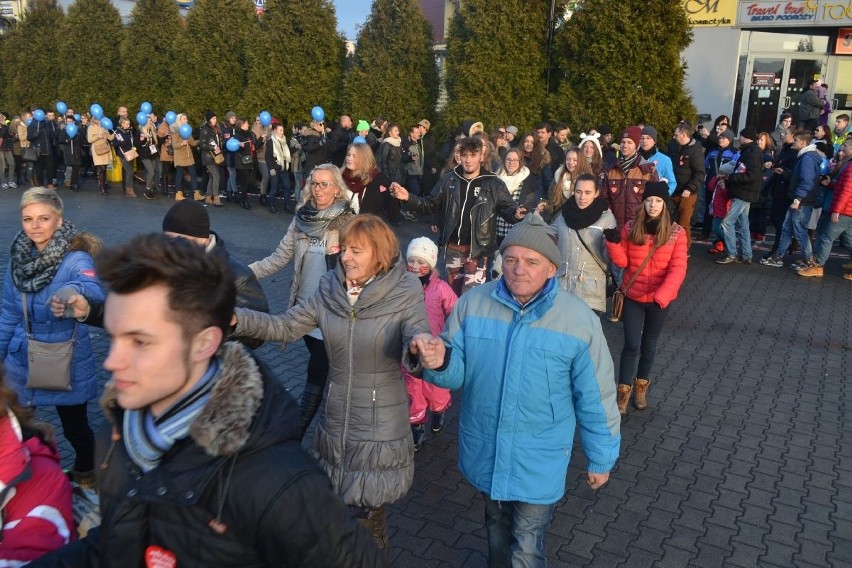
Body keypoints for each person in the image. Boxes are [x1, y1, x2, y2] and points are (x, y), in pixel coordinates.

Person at [31, 233, 385, 567]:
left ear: (203, 343)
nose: (112, 361)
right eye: (116, 336)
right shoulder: (121, 434)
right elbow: (113, 545)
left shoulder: (279, 484)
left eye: (140, 342)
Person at [412, 214, 620, 568]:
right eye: (510, 260)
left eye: (531, 262)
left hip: (539, 455)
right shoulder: (473, 303)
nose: (518, 269)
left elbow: (596, 396)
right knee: (495, 525)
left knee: (526, 544)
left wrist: (601, 456)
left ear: (551, 269)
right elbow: (456, 372)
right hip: (487, 447)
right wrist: (439, 361)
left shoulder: (578, 319)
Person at [235, 214, 429, 550]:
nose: (345, 257)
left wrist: (423, 349)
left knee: (367, 522)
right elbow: (284, 327)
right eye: (345, 249)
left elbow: (417, 336)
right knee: (336, 521)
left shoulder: (405, 291)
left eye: (356, 251)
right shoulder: (329, 288)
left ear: (379, 254)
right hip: (336, 419)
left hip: (378, 428)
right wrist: (237, 318)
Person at [55, 199, 270, 350]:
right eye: (168, 239)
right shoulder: (159, 265)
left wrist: (212, 333)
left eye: (180, 240)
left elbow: (258, 333)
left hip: (211, 382)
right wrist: (90, 309)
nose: (173, 247)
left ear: (203, 239)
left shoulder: (236, 275)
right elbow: (130, 314)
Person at [0, 187, 105, 486]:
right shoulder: (17, 260)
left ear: (58, 221)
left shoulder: (75, 258)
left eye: (43, 218)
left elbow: (90, 287)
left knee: (75, 429)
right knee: (14, 425)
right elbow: (9, 313)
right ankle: (21, 482)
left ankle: (88, 475)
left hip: (65, 356)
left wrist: (74, 294)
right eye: (28, 219)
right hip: (21, 356)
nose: (35, 226)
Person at [248, 164, 355, 436]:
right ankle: (334, 405)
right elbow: (278, 258)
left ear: (337, 188)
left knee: (315, 375)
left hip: (332, 310)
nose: (319, 190)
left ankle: (295, 435)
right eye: (315, 184)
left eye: (325, 185)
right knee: (325, 367)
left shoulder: (348, 222)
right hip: (303, 309)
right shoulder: (301, 220)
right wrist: (243, 273)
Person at [392, 136, 526, 296]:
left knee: (471, 296)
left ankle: (468, 320)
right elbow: (430, 204)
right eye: (465, 155)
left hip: (477, 251)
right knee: (453, 294)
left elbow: (507, 207)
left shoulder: (493, 183)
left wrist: (516, 213)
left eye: (473, 155)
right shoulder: (448, 180)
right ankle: (454, 321)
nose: (468, 160)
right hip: (453, 248)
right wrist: (408, 197)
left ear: (481, 157)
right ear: (459, 156)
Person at [604, 182, 688, 415]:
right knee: (631, 345)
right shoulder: (631, 228)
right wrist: (612, 243)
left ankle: (641, 388)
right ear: (643, 202)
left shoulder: (676, 233)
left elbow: (678, 268)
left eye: (658, 201)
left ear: (665, 204)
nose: (653, 204)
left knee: (649, 346)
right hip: (633, 295)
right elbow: (622, 262)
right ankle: (623, 392)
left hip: (659, 300)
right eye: (649, 200)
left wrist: (663, 296)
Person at [0, 369, 75, 565]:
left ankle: (86, 472)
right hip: (36, 373)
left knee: (77, 428)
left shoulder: (41, 480)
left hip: (58, 374)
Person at [401, 237, 456, 451]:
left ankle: (439, 410)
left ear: (431, 264)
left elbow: (455, 311)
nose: (415, 267)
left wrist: (450, 337)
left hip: (433, 348)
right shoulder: (402, 286)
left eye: (420, 262)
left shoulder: (440, 288)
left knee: (435, 390)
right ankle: (417, 426)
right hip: (410, 349)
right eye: (411, 261)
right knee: (413, 389)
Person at [552, 173, 617, 313]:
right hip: (563, 287)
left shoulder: (606, 218)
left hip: (590, 291)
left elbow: (608, 258)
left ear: (596, 193)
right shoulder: (564, 215)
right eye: (578, 192)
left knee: (584, 333)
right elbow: (548, 239)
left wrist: (613, 244)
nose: (582, 197)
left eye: (588, 192)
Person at [760, 130, 822, 269]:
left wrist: (797, 199)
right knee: (787, 229)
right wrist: (786, 173)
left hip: (802, 202)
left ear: (803, 142)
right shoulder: (805, 157)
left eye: (796, 140)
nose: (793, 142)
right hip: (799, 200)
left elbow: (807, 180)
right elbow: (798, 176)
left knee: (799, 231)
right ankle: (778, 257)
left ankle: (808, 260)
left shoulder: (807, 158)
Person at [797, 136, 852, 279]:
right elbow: (842, 187)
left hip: (844, 210)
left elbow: (847, 190)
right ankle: (816, 262)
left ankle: (818, 266)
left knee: (826, 237)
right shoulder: (848, 164)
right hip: (845, 209)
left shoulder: (850, 166)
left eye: (845, 146)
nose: (841, 149)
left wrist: (837, 211)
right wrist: (831, 185)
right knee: (848, 239)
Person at [716, 127, 763, 265]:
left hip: (744, 192)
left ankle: (731, 253)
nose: (739, 139)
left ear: (744, 137)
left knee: (727, 223)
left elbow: (750, 175)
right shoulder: (751, 151)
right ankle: (746, 254)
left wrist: (730, 178)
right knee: (743, 224)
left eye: (741, 136)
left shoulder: (751, 153)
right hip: (745, 192)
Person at [601, 126, 659, 230]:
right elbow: (604, 198)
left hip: (639, 227)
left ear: (637, 146)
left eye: (629, 142)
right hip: (615, 227)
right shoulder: (610, 170)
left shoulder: (648, 170)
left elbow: (654, 200)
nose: (625, 145)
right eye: (623, 142)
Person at [341, 142, 400, 221]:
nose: (349, 158)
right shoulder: (340, 177)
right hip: (342, 227)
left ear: (365, 158)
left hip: (368, 228)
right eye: (348, 155)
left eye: (355, 156)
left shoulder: (378, 180)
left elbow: (392, 210)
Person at [671, 121, 706, 251]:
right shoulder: (676, 147)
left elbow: (700, 173)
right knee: (671, 221)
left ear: (684, 135)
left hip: (687, 193)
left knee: (683, 222)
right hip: (674, 190)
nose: (674, 138)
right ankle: (673, 247)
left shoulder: (695, 151)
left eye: (676, 135)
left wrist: (689, 188)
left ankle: (684, 249)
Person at [538, 147, 592, 223]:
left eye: (575, 160)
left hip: (579, 221)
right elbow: (551, 202)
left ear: (581, 161)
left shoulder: (588, 181)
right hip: (557, 221)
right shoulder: (558, 177)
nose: (570, 162)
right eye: (568, 159)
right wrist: (544, 205)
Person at [496, 147, 538, 242]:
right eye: (508, 159)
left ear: (520, 162)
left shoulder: (527, 179)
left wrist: (522, 211)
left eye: (515, 160)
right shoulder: (496, 178)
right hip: (496, 229)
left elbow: (531, 203)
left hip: (517, 231)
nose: (511, 162)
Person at [170, 113, 202, 202]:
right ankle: (178, 193)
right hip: (180, 156)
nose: (186, 120)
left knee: (193, 173)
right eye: (184, 119)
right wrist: (182, 143)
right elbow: (174, 145)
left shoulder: (187, 130)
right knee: (180, 174)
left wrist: (201, 140)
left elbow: (192, 143)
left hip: (188, 156)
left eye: (186, 119)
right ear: (179, 120)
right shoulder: (175, 131)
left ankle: (196, 193)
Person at [638, 126, 676, 195]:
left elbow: (672, 183)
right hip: (634, 200)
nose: (644, 141)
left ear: (654, 141)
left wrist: (663, 196)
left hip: (653, 201)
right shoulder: (635, 157)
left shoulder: (664, 159)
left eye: (648, 138)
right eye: (642, 138)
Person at [265, 123, 293, 213]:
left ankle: (287, 205)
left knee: (287, 186)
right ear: (275, 131)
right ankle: (272, 206)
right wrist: (270, 168)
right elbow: (268, 157)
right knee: (274, 187)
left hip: (284, 167)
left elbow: (288, 153)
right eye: (280, 130)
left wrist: (295, 148)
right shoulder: (270, 141)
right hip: (274, 167)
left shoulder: (284, 141)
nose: (282, 132)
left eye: (283, 130)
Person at [198, 110, 224, 207]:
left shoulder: (215, 129)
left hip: (215, 156)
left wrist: (219, 147)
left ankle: (208, 197)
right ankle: (216, 197)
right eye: (213, 118)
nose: (215, 120)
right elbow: (202, 144)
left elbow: (217, 142)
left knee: (212, 177)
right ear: (209, 119)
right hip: (208, 157)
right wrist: (213, 148)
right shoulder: (205, 129)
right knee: (216, 175)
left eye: (215, 118)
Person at [86, 115, 114, 195]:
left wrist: (116, 133)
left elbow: (110, 138)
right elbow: (89, 140)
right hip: (97, 150)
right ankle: (101, 188)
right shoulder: (91, 128)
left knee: (104, 168)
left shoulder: (104, 127)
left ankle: (103, 184)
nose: (99, 120)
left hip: (105, 149)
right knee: (101, 169)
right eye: (97, 119)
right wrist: (98, 136)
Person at [112, 117, 139, 198]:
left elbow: (132, 141)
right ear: (122, 124)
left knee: (129, 172)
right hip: (123, 155)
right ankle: (130, 190)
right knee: (130, 171)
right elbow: (115, 144)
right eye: (127, 124)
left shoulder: (129, 132)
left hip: (130, 153)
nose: (128, 125)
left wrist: (133, 146)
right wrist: (120, 142)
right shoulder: (118, 132)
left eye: (129, 124)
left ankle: (128, 190)